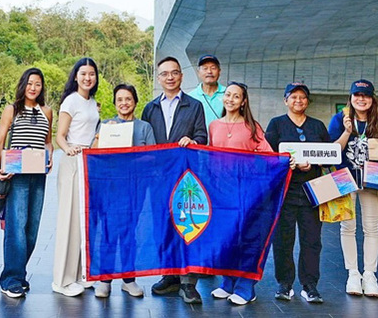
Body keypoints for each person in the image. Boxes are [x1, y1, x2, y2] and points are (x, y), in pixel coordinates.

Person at [141, 56, 207, 304]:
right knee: (163, 226)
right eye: (164, 73)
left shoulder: (194, 105)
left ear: (181, 75)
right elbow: (144, 142)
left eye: (174, 72)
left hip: (185, 178)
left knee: (187, 225)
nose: (170, 77)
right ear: (158, 78)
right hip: (158, 178)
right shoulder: (150, 108)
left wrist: (193, 141)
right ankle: (169, 276)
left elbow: (202, 136)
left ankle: (188, 283)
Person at [208, 82, 273, 305]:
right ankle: (227, 282)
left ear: (243, 101)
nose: (230, 99)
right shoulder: (214, 126)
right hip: (220, 192)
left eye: (236, 96)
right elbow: (210, 156)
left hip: (245, 192)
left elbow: (269, 155)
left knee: (247, 238)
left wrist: (287, 160)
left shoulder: (251, 127)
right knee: (226, 238)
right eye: (228, 94)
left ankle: (246, 287)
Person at [265, 83, 330, 304]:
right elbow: (269, 155)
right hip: (285, 191)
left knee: (312, 240)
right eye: (293, 97)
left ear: (308, 101)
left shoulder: (318, 126)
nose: (298, 100)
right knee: (283, 239)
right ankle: (284, 284)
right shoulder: (276, 124)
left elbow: (329, 155)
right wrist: (288, 163)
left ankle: (310, 285)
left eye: (303, 97)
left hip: (313, 192)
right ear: (286, 100)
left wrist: (314, 162)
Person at [0, 68, 54, 299]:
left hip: (38, 174)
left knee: (32, 228)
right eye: (29, 83)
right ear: (23, 85)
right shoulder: (12, 109)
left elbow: (47, 142)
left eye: (37, 84)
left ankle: (19, 273)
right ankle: (10, 279)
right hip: (16, 173)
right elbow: (0, 140)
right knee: (16, 226)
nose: (33, 88)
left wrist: (50, 156)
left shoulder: (47, 111)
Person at [328, 79, 378, 298]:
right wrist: (347, 131)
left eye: (365, 95)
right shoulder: (339, 119)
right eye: (357, 95)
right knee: (347, 226)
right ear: (351, 97)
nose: (361, 99)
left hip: (371, 179)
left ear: (372, 99)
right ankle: (353, 273)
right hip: (344, 177)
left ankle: (370, 275)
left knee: (371, 227)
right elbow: (332, 151)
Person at [92, 83, 155, 298]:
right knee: (108, 232)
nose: (124, 103)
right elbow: (94, 153)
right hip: (110, 188)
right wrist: (103, 136)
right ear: (114, 103)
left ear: (135, 102)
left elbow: (153, 156)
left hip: (135, 187)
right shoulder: (105, 125)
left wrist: (132, 155)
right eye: (119, 99)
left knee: (129, 232)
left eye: (128, 99)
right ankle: (105, 280)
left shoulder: (144, 127)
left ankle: (129, 280)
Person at [52, 58, 101, 297]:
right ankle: (61, 280)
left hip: (88, 162)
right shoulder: (70, 101)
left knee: (83, 221)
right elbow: (60, 136)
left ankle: (80, 274)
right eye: (83, 73)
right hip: (73, 161)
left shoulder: (92, 103)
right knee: (69, 220)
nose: (87, 78)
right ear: (75, 76)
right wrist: (68, 149)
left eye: (91, 73)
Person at [188, 54, 226, 130]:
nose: (209, 71)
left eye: (213, 68)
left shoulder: (228, 94)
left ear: (219, 71)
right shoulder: (190, 97)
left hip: (223, 137)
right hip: (199, 138)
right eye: (205, 68)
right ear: (198, 72)